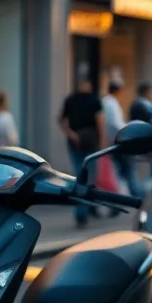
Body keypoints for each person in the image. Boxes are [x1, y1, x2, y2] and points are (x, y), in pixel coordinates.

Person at [60, 78, 105, 227]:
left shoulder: (70, 100)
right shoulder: (94, 100)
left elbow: (62, 121)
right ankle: (84, 210)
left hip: (75, 142)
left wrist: (71, 134)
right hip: (90, 142)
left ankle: (84, 209)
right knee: (88, 177)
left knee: (79, 175)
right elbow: (100, 121)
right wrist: (102, 141)